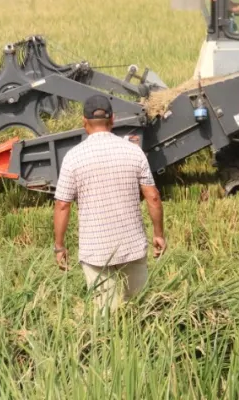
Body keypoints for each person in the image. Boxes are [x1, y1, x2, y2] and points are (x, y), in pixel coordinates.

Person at [52, 94, 167, 312]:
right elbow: (153, 197)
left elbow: (62, 205)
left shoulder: (73, 157)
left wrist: (59, 246)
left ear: (84, 121)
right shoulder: (134, 152)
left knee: (106, 315)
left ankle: (110, 344)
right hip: (132, 246)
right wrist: (158, 234)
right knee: (139, 309)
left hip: (96, 251)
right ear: (112, 119)